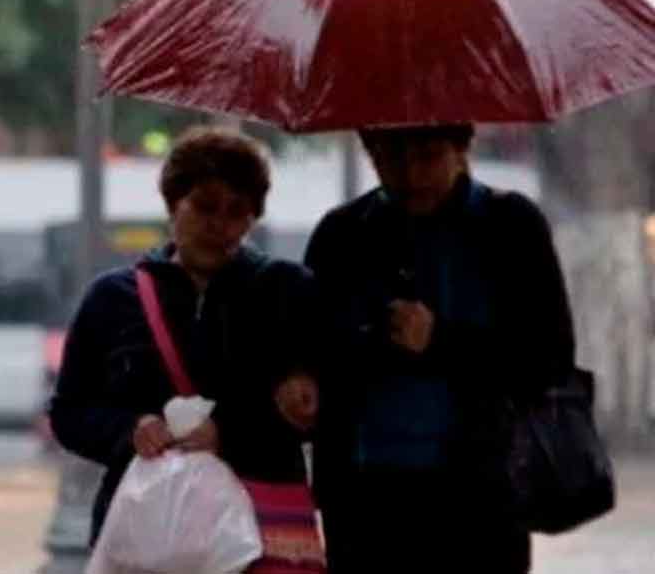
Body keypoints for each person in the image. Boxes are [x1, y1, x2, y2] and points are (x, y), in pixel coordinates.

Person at [304, 124, 575, 574]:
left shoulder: (510, 226)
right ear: (370, 152)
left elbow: (548, 358)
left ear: (461, 147)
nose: (411, 176)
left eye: (428, 156)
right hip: (365, 499)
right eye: (390, 158)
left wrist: (442, 340)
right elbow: (313, 347)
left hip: (480, 496)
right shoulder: (343, 234)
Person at [47, 125, 321, 546]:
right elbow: (69, 413)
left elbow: (323, 409)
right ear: (174, 205)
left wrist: (229, 433)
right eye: (205, 207)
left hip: (259, 528)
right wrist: (131, 429)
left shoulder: (289, 292)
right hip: (147, 529)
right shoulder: (112, 298)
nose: (220, 225)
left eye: (237, 212)